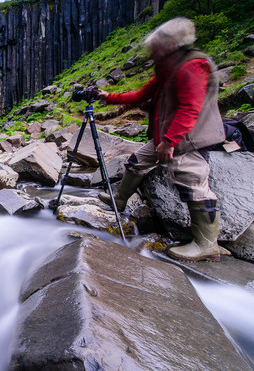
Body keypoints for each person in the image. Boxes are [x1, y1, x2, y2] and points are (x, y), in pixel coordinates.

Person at [96, 17, 225, 262]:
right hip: (165, 136)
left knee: (193, 183)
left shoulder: (191, 67)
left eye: (155, 46)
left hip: (189, 139)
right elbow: (141, 95)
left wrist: (170, 141)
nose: (150, 51)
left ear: (171, 44)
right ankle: (120, 200)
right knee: (136, 161)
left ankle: (207, 245)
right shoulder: (169, 68)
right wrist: (108, 97)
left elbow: (190, 108)